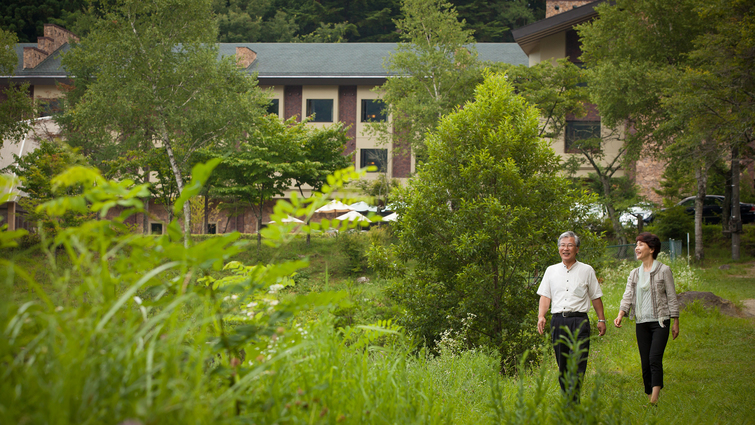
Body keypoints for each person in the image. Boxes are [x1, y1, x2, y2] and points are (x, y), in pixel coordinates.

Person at [537, 231, 607, 402]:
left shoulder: (587, 270)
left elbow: (595, 296)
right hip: (558, 320)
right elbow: (545, 296)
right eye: (562, 245)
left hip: (579, 321)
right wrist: (541, 316)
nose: (565, 248)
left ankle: (573, 400)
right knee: (563, 363)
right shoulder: (551, 270)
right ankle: (567, 397)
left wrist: (601, 319)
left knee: (578, 362)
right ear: (559, 248)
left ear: (577, 249)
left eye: (569, 245)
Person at [614, 232, 680, 405]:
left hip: (661, 321)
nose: (636, 248)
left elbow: (672, 296)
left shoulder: (663, 270)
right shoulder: (634, 274)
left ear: (651, 249)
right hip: (641, 322)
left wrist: (675, 320)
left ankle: (654, 399)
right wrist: (621, 313)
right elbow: (627, 295)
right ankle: (649, 393)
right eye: (636, 244)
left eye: (640, 244)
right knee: (645, 362)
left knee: (654, 359)